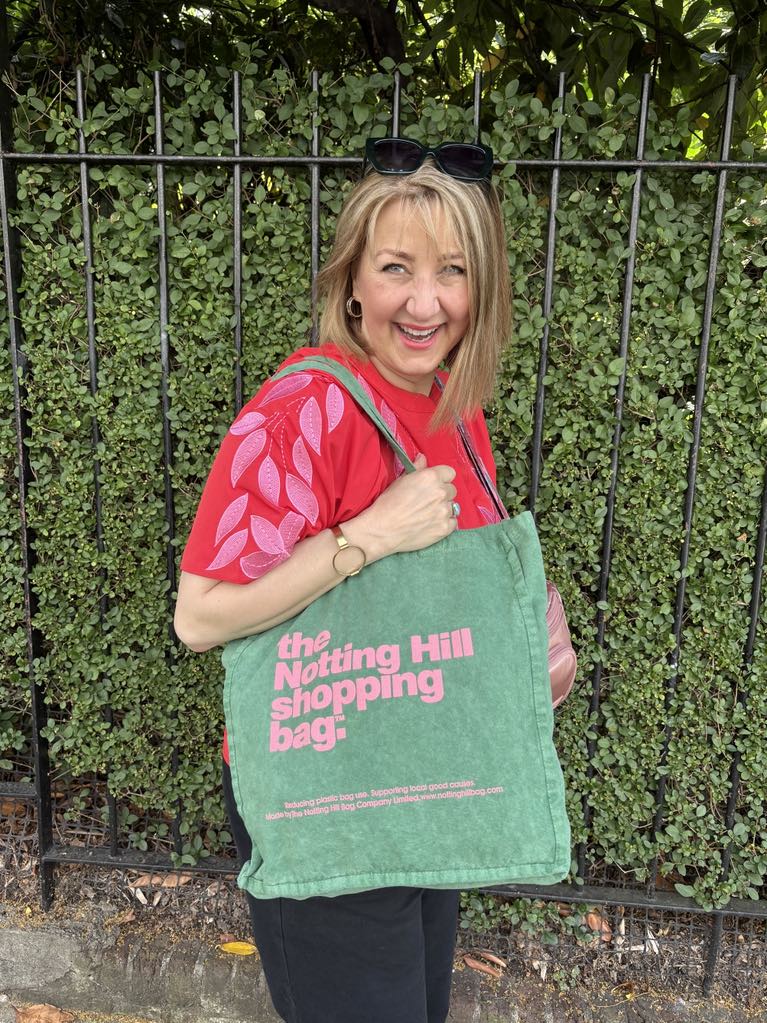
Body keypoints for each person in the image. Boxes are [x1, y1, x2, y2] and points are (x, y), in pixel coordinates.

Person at [174, 138, 512, 1023]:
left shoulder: (451, 403)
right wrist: (365, 535)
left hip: (422, 778)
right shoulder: (301, 412)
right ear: (351, 281)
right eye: (396, 267)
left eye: (451, 270)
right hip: (324, 791)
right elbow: (200, 617)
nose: (424, 300)